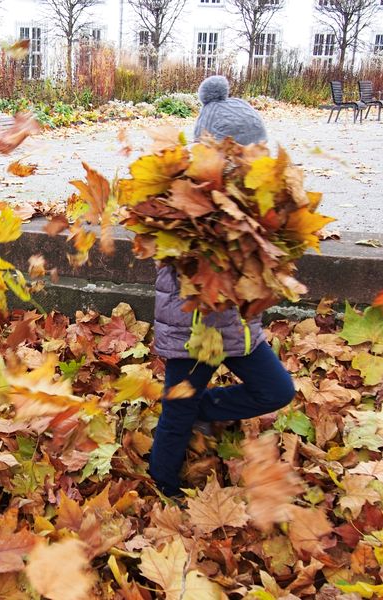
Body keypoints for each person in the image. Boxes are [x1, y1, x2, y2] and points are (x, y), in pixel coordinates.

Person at [148, 76, 295, 499]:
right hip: (196, 331)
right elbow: (173, 258)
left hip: (241, 329)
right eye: (244, 153)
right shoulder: (185, 199)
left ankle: (205, 410)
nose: (253, 160)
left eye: (257, 152)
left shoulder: (253, 197)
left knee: (276, 390)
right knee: (177, 411)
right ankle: (164, 482)